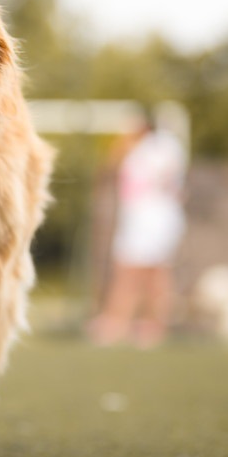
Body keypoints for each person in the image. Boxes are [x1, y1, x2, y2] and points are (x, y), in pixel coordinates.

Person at [89, 108, 188, 348]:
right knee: (145, 271)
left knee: (137, 271)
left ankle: (123, 321)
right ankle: (141, 323)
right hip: (144, 217)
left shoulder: (159, 147)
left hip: (151, 219)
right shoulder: (143, 148)